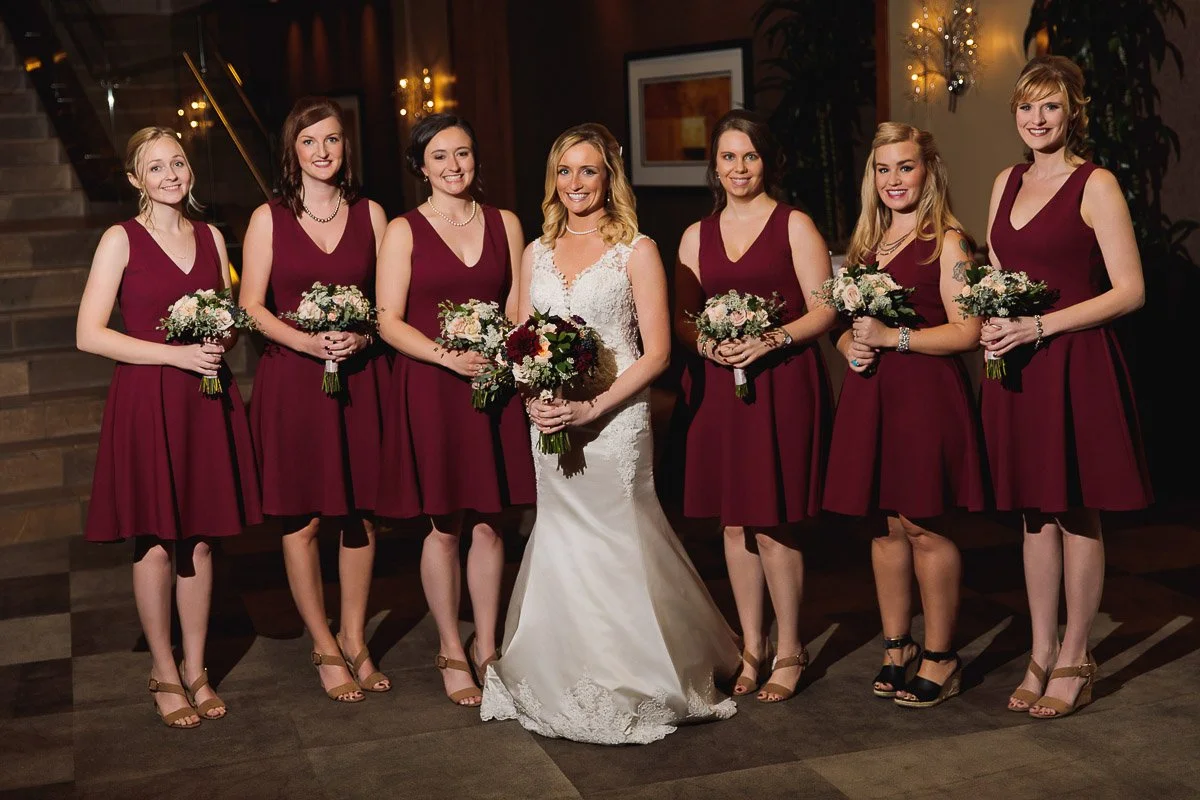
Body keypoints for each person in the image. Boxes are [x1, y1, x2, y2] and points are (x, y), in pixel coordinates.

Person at [479, 123, 740, 744]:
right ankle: (562, 666)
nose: (575, 184)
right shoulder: (535, 251)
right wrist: (536, 395)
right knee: (562, 535)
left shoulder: (638, 249)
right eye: (564, 171)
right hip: (549, 417)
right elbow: (520, 340)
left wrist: (592, 408)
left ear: (609, 177)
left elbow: (655, 356)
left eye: (588, 170)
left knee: (621, 532)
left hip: (615, 418)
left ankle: (637, 671)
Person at [980, 56, 1152, 718]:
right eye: (1027, 106)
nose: (1037, 119)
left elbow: (1131, 290)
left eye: (1050, 106)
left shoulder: (1096, 183)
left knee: (1077, 508)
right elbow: (998, 267)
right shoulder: (1006, 180)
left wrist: (1038, 326)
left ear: (1072, 111)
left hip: (1074, 361)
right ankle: (1040, 650)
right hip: (1016, 364)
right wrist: (996, 318)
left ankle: (1078, 654)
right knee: (1032, 510)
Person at [76, 126, 261, 728]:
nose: (171, 175)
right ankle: (162, 669)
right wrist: (174, 354)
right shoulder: (120, 239)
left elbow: (229, 317)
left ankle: (198, 669)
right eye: (156, 168)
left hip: (205, 399)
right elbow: (90, 334)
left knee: (202, 536)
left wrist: (221, 338)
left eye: (178, 163)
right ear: (136, 180)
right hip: (148, 397)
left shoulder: (211, 236)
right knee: (156, 538)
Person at [823, 122, 986, 708]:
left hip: (924, 394)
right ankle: (898, 646)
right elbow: (843, 325)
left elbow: (969, 330)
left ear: (929, 171)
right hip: (871, 394)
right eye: (883, 169)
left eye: (906, 167)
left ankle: (942, 655)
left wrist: (894, 337)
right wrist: (849, 345)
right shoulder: (866, 246)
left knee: (922, 523)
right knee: (883, 525)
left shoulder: (947, 241)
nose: (895, 179)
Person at [675, 109, 835, 703]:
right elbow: (683, 320)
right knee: (734, 521)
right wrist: (709, 343)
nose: (738, 168)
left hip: (783, 382)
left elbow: (824, 310)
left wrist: (769, 339)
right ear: (714, 165)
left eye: (750, 156)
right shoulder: (696, 235)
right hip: (721, 387)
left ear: (767, 161)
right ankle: (752, 644)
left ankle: (791, 646)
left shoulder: (795, 224)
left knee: (773, 520)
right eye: (727, 157)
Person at [375, 113, 535, 706]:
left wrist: (505, 352)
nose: (453, 166)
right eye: (439, 156)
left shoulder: (506, 223)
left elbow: (517, 302)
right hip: (433, 387)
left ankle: (487, 644)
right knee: (445, 525)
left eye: (462, 154)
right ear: (421, 167)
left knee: (494, 520)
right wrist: (447, 356)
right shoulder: (403, 230)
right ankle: (449, 645)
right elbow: (387, 319)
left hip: (493, 383)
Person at [240, 97, 391, 703]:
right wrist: (305, 340)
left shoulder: (373, 214)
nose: (323, 151)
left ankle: (355, 637)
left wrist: (362, 333)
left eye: (332, 140)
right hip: (292, 382)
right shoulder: (267, 218)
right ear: (291, 152)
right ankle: (322, 642)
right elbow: (250, 305)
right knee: (300, 516)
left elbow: (388, 303)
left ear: (344, 147)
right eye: (310, 142)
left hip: (358, 380)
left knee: (359, 513)